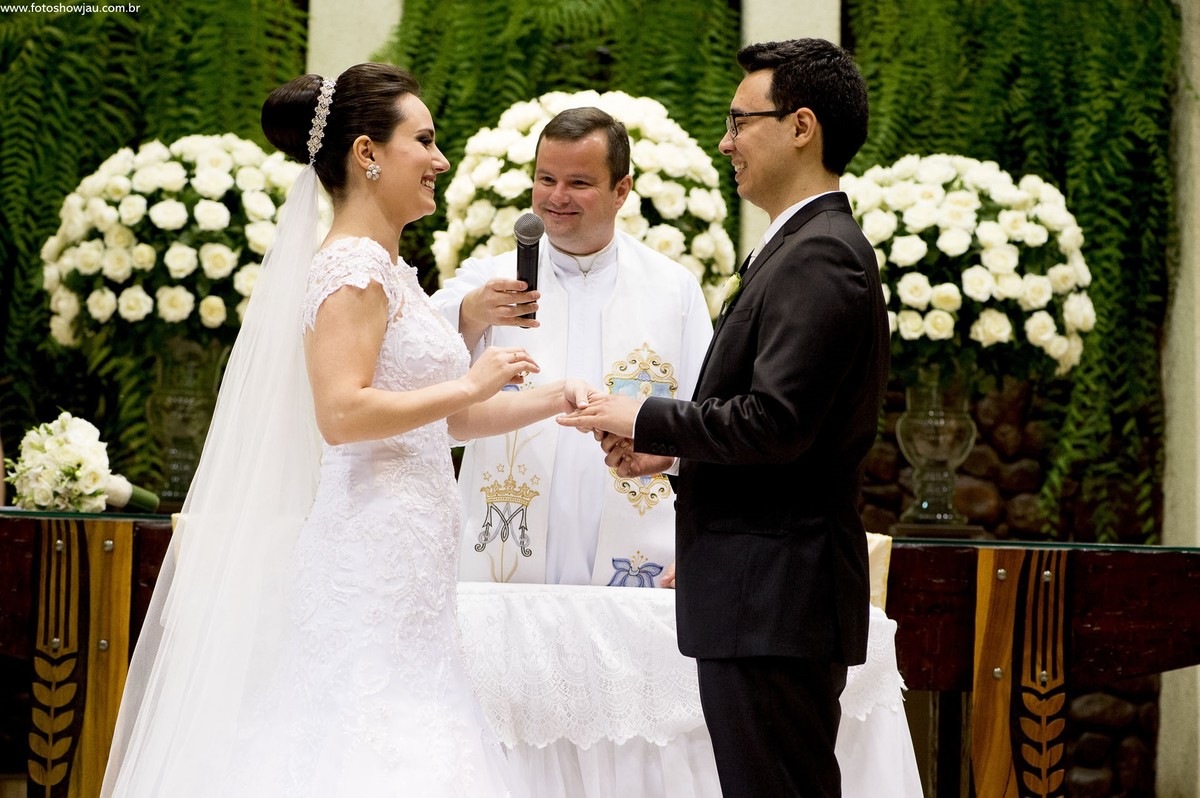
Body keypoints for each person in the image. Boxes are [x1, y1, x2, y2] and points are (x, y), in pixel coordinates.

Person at [102, 63, 589, 797]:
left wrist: (557, 397)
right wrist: (469, 379)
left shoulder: (392, 272)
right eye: (424, 140)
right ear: (367, 154)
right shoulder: (353, 268)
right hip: (370, 551)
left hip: (411, 557)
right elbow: (341, 414)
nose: (440, 160)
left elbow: (447, 420)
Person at [558, 39, 889, 796]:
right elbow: (786, 431)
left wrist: (646, 416)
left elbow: (777, 422)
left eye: (741, 121)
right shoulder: (796, 246)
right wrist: (673, 455)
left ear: (801, 126)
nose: (725, 142)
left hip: (775, 596)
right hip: (764, 600)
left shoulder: (820, 255)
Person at [431, 107, 712, 587]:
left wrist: (704, 546)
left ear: (621, 190)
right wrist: (473, 312)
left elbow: (708, 428)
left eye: (578, 183)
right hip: (504, 554)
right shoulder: (486, 281)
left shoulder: (675, 289)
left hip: (642, 557)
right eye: (546, 179)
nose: (556, 197)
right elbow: (429, 400)